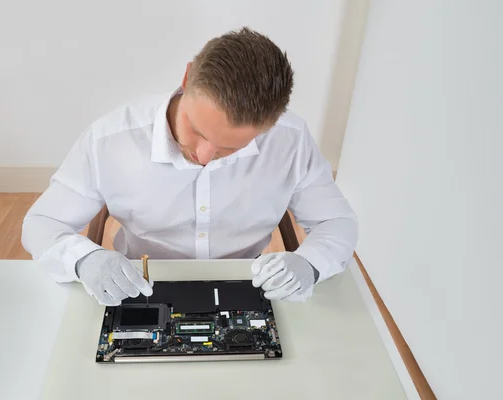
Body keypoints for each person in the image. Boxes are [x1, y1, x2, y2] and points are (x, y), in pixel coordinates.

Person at [21, 27, 358, 306]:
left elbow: (337, 221)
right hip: (142, 282)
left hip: (247, 284)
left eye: (231, 147)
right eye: (197, 130)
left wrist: (310, 264)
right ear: (186, 78)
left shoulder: (290, 139)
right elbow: (42, 223)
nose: (205, 157)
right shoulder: (109, 139)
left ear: (271, 124)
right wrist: (83, 259)